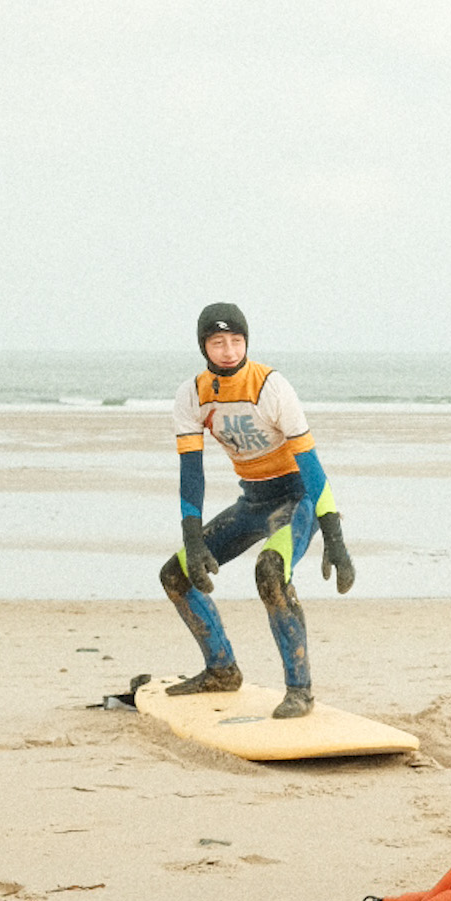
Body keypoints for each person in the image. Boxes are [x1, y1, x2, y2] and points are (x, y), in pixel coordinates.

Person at [159, 302, 356, 718]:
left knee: (270, 571)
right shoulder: (192, 395)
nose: (229, 350)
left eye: (236, 340)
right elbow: (191, 474)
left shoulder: (271, 387)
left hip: (296, 499)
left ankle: (300, 691)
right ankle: (221, 670)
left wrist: (334, 538)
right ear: (203, 346)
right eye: (218, 342)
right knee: (176, 575)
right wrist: (192, 540)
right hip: (252, 501)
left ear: (246, 341)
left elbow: (311, 465)